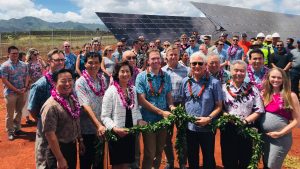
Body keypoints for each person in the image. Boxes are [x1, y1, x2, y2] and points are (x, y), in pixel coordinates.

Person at [180, 52, 223, 169]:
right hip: (190, 128)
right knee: (192, 157)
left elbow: (219, 106)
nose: (197, 66)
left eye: (200, 63)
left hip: (208, 128)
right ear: (190, 65)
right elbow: (183, 103)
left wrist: (208, 119)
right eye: (194, 63)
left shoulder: (214, 82)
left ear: (205, 65)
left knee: (208, 158)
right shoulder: (185, 82)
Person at [102, 61, 146, 169]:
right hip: (117, 133)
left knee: (126, 163)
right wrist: (115, 128)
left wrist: (139, 120)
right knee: (118, 164)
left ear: (131, 74)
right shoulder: (111, 91)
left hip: (130, 132)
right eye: (122, 71)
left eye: (127, 71)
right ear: (117, 74)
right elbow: (105, 116)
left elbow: (135, 110)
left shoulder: (133, 90)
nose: (125, 74)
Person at [221, 60, 264, 169]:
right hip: (228, 128)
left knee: (245, 159)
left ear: (245, 72)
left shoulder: (253, 89)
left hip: (247, 128)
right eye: (236, 70)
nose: (239, 73)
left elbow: (259, 110)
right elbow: (219, 108)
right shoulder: (223, 89)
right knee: (228, 159)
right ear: (230, 71)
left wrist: (245, 121)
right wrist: (226, 115)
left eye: (242, 71)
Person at [135, 48, 174, 169]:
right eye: (153, 58)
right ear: (147, 61)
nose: (156, 60)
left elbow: (168, 95)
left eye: (158, 58)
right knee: (150, 153)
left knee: (159, 151)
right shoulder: (141, 77)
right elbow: (141, 100)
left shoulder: (166, 76)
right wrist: (162, 112)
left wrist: (172, 106)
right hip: (148, 120)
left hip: (163, 121)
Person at [27, 48, 65, 169]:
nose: (60, 62)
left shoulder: (66, 83)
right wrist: (45, 121)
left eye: (62, 60)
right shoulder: (40, 85)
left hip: (63, 131)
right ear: (49, 61)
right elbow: (32, 110)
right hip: (46, 132)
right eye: (57, 60)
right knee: (45, 163)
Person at [41, 69, 83, 169]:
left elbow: (76, 121)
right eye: (63, 81)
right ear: (55, 83)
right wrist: (60, 159)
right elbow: (50, 135)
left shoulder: (72, 99)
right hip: (57, 151)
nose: (67, 84)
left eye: (70, 80)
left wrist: (80, 140)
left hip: (71, 148)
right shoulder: (51, 106)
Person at [260, 68, 300, 169]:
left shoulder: (290, 95)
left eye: (279, 78)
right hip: (264, 136)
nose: (276, 80)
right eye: (273, 77)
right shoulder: (265, 94)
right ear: (268, 78)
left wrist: (280, 133)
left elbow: (297, 120)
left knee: (272, 165)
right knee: (266, 163)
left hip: (280, 138)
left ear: (283, 80)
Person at [75, 52, 106, 169]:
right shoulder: (80, 82)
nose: (94, 65)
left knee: (99, 163)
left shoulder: (102, 79)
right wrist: (98, 125)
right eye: (90, 63)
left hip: (101, 129)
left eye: (97, 63)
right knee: (86, 163)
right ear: (85, 64)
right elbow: (85, 105)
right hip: (87, 130)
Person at [162, 45, 189, 169]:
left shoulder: (186, 70)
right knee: (167, 135)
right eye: (170, 54)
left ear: (179, 56)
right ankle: (169, 161)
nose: (173, 57)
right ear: (166, 56)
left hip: (182, 106)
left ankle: (183, 162)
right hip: (167, 106)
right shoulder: (162, 71)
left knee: (182, 135)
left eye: (175, 54)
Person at [0, 46, 29, 141]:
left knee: (19, 111)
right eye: (13, 53)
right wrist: (16, 90)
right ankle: (10, 131)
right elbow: (4, 80)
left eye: (16, 53)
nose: (15, 55)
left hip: (22, 92)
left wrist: (25, 87)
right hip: (10, 93)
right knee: (10, 113)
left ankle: (17, 128)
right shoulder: (5, 66)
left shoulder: (23, 65)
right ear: (9, 54)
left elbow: (27, 76)